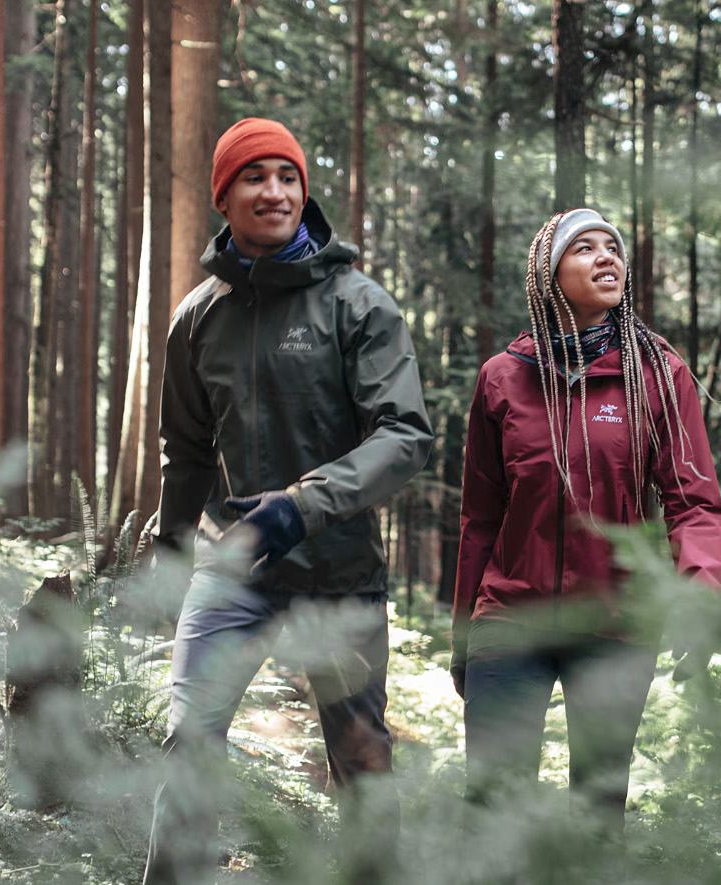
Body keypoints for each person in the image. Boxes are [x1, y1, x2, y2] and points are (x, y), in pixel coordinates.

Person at [145, 117, 433, 884]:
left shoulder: (357, 303)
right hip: (231, 569)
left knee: (363, 762)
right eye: (253, 176)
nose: (273, 190)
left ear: (304, 194)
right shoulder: (196, 318)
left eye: (287, 177)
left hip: (337, 572)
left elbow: (404, 436)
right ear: (224, 194)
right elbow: (187, 449)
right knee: (188, 739)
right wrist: (171, 550)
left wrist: (302, 504)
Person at [452, 208, 721, 834]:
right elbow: (480, 518)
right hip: (509, 617)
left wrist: (697, 593)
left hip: (614, 624)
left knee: (598, 814)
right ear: (548, 275)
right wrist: (464, 635)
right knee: (492, 809)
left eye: (613, 248)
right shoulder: (503, 378)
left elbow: (693, 501)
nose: (607, 257)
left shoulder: (657, 374)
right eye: (584, 248)